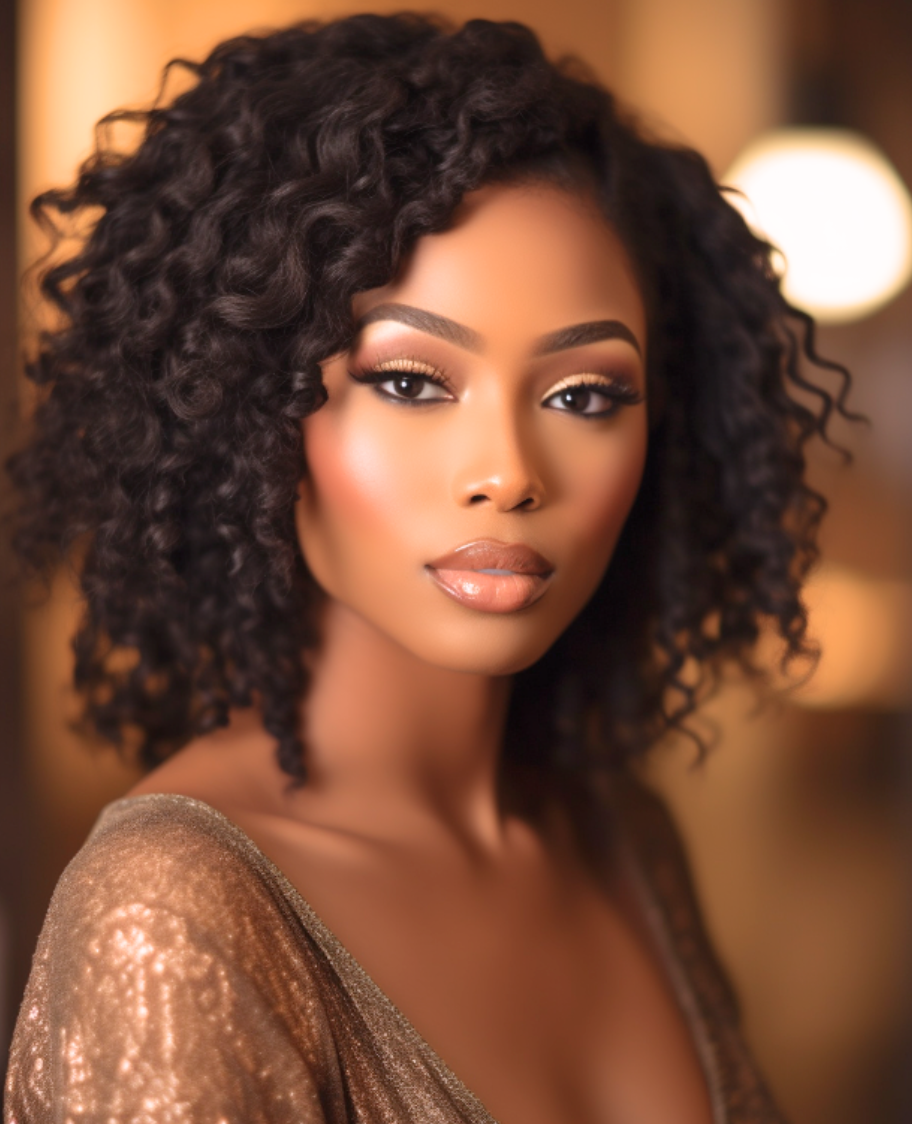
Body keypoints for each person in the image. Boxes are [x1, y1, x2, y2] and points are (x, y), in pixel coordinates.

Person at [4, 13, 853, 1124]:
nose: (507, 473)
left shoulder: (621, 837)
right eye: (411, 381)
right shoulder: (174, 913)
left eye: (583, 396)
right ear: (251, 406)